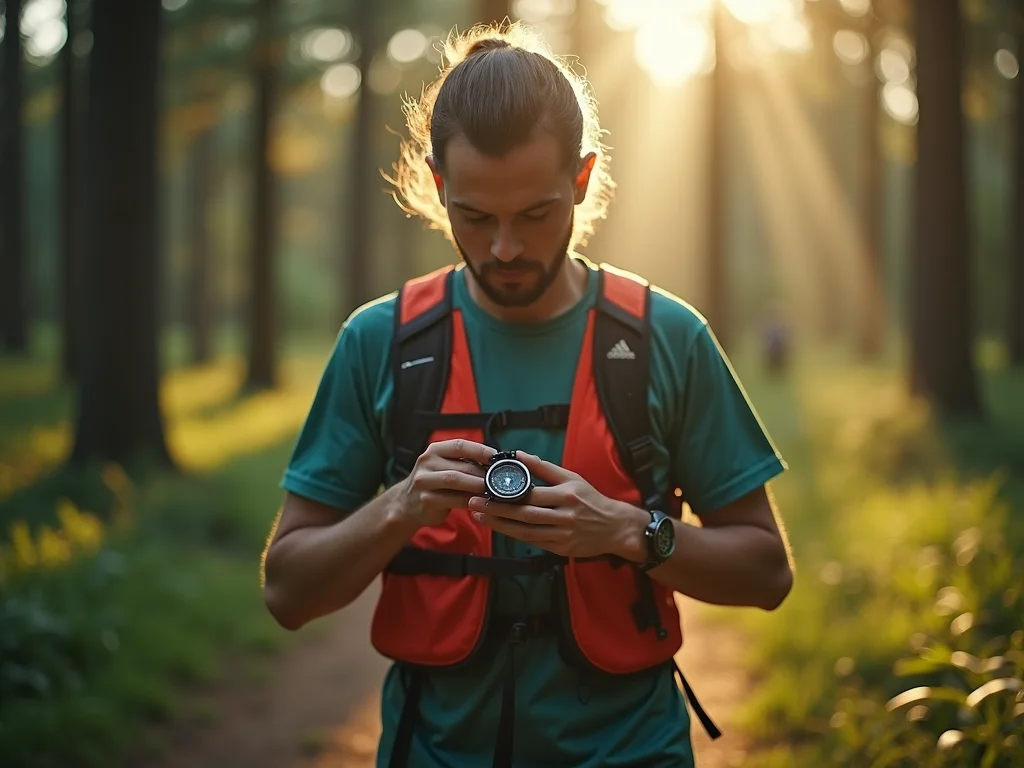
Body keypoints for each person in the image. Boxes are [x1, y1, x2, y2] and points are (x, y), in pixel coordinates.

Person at [262, 21, 794, 768]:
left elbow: (767, 572)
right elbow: (287, 591)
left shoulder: (666, 338)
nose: (505, 248)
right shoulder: (377, 341)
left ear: (581, 179)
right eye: (474, 217)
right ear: (439, 184)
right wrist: (400, 506)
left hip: (631, 753)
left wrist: (627, 532)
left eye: (537, 214)